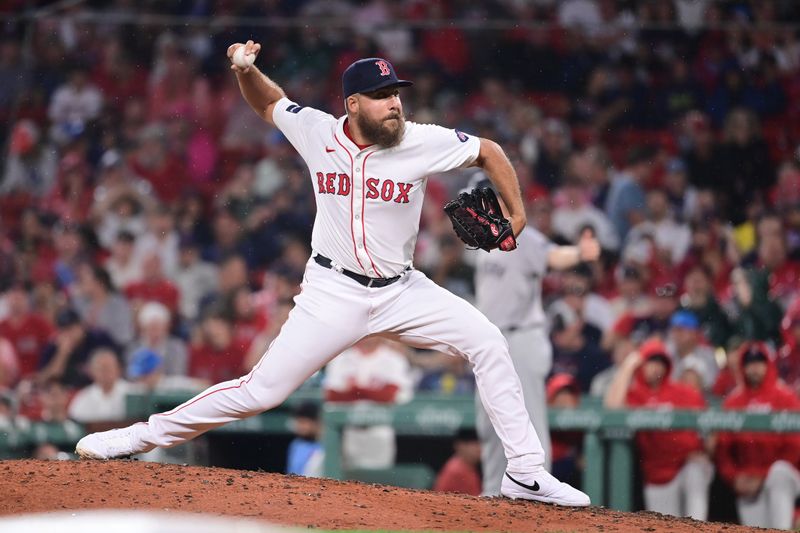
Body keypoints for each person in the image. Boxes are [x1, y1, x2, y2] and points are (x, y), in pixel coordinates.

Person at [75, 43, 589, 506]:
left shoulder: (420, 140)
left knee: (488, 341)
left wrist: (516, 214)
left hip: (402, 290)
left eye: (396, 93)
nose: (394, 103)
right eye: (381, 94)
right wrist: (245, 70)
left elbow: (489, 151)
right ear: (352, 104)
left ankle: (524, 471)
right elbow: (269, 103)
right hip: (333, 290)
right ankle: (139, 436)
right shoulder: (318, 132)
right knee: (261, 392)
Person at [474, 218, 600, 496]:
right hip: (488, 339)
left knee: (528, 420)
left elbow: (553, 255)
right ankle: (493, 493)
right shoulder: (479, 237)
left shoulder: (524, 236)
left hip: (521, 338)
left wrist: (579, 252)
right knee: (490, 422)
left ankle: (537, 495)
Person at [604, 338, 712, 521]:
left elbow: (712, 423)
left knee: (696, 471)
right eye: (651, 361)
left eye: (661, 362)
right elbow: (612, 410)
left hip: (686, 464)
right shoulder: (636, 395)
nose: (657, 367)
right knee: (665, 525)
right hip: (656, 473)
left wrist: (707, 452)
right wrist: (628, 366)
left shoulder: (683, 391)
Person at [715, 341, 800, 529]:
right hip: (747, 482)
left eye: (759, 362)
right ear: (743, 368)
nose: (754, 368)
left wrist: (762, 476)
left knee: (779, 472)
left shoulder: (785, 396)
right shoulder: (733, 401)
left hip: (783, 478)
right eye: (750, 363)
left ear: (768, 364)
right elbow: (723, 449)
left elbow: (795, 448)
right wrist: (734, 478)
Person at [323, 337, 412, 470]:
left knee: (378, 482)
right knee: (341, 483)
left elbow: (396, 396)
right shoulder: (341, 359)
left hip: (379, 430)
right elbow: (331, 395)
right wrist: (375, 392)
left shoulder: (394, 360)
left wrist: (355, 390)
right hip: (347, 430)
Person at [433, 427, 482, 496]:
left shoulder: (466, 466)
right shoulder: (457, 470)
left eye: (479, 444)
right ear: (460, 446)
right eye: (473, 444)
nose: (479, 448)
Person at [285, 401, 324, 478]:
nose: (301, 426)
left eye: (304, 422)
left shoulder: (325, 445)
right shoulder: (295, 445)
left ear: (316, 422)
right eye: (299, 421)